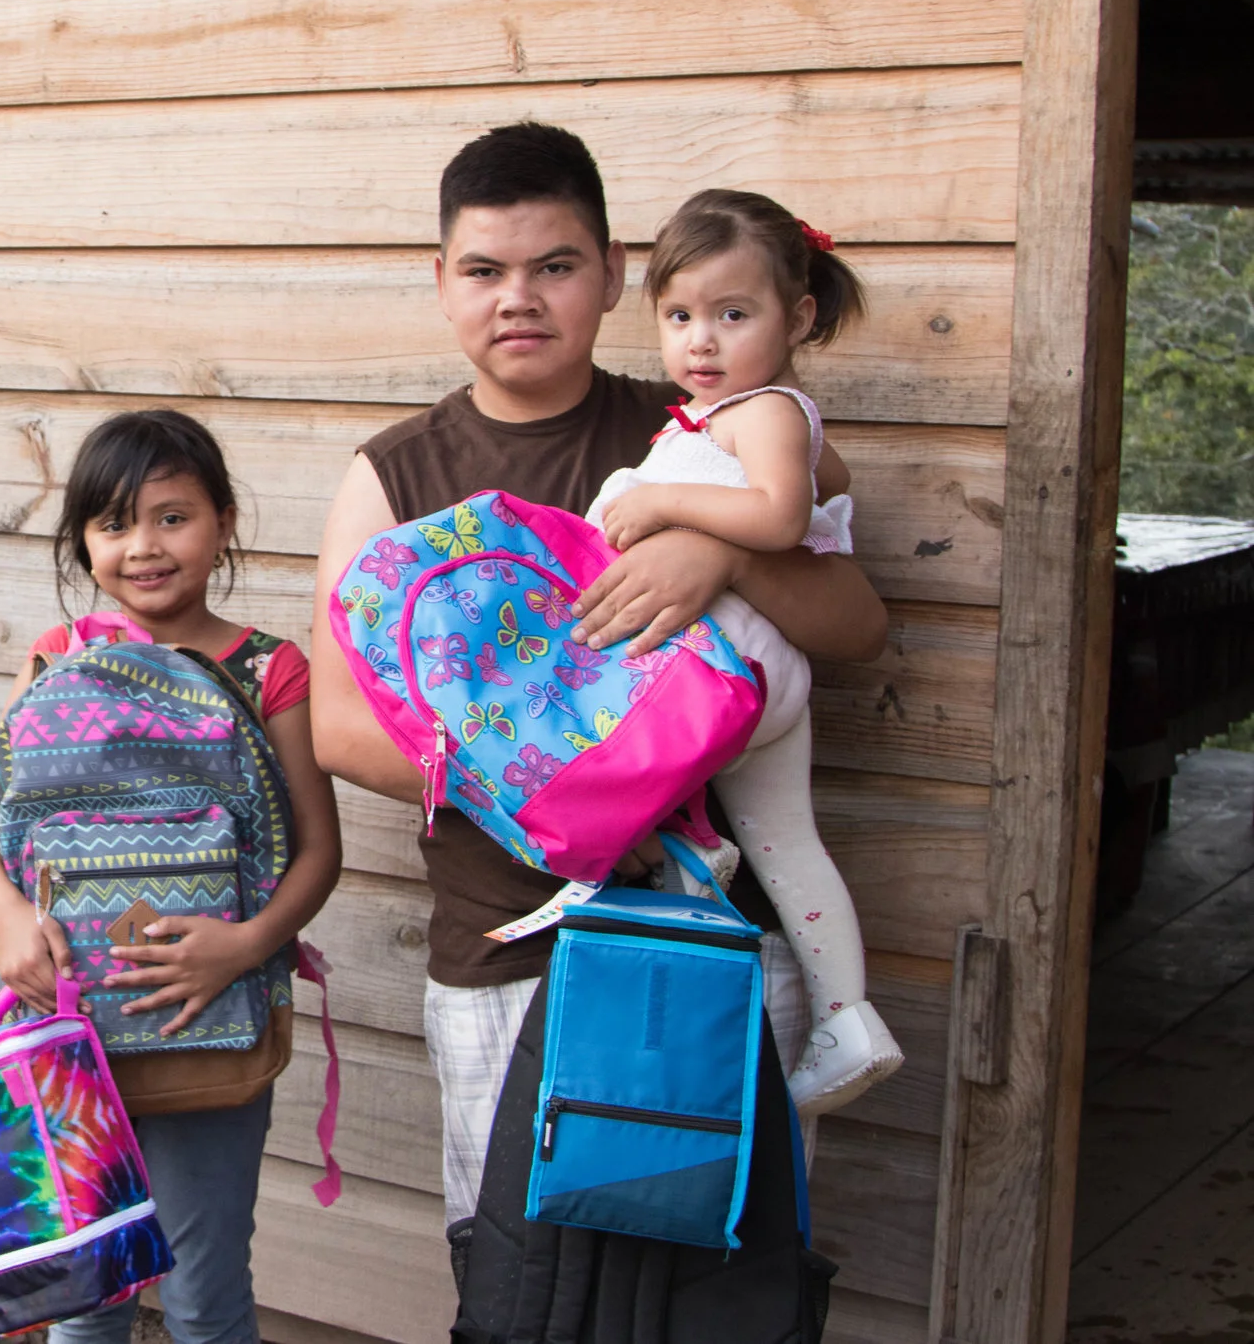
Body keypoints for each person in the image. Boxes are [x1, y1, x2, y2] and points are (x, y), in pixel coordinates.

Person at [305, 124, 889, 1281]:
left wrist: (725, 557)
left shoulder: (702, 424)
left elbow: (857, 630)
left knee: (716, 1284)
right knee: (520, 1285)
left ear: (614, 273)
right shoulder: (392, 473)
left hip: (718, 943)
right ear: (441, 281)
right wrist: (569, 799)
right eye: (484, 269)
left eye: (555, 265)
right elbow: (340, 726)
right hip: (503, 952)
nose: (517, 297)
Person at [0, 408, 345, 1344]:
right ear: (83, 540)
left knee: (206, 1294)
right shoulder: (58, 657)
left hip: (213, 1019)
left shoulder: (269, 670)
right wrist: (9, 922)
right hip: (69, 1019)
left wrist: (246, 945)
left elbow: (319, 849)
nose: (144, 546)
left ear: (223, 521)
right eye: (114, 523)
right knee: (86, 1293)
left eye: (173, 516)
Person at [586, 188, 903, 1115]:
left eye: (734, 315)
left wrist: (663, 502)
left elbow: (779, 514)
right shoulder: (751, 414)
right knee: (788, 842)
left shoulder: (761, 410)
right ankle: (846, 1017)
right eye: (680, 316)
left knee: (626, 769)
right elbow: (825, 474)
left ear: (796, 319)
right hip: (763, 677)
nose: (702, 342)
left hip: (736, 671)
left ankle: (695, 857)